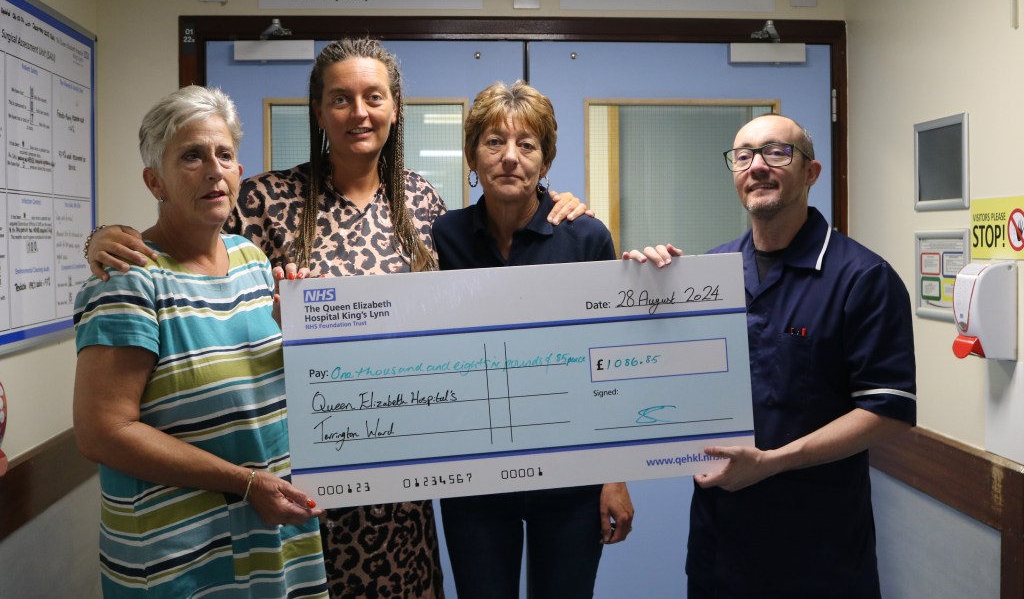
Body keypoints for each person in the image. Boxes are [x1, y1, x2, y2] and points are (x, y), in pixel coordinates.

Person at [84, 38, 587, 598]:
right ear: (319, 111)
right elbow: (188, 248)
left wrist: (557, 205)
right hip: (298, 487)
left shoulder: (423, 203)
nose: (359, 113)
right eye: (340, 99)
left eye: (374, 97)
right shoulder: (265, 200)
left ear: (395, 107)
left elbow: (486, 288)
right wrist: (102, 237)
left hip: (402, 488)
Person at [626, 113, 916, 598]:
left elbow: (889, 411)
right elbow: (660, 376)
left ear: (811, 172)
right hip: (720, 549)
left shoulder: (861, 278)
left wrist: (774, 461)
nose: (757, 166)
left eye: (776, 152)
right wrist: (640, 290)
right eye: (744, 156)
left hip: (818, 555)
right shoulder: (706, 278)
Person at [73, 86, 328, 598]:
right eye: (192, 155)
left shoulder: (253, 261)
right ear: (155, 181)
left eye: (225, 155)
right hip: (181, 558)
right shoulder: (129, 280)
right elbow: (102, 433)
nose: (214, 169)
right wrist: (245, 482)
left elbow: (258, 394)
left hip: (272, 535)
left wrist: (298, 332)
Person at [433, 81, 635, 599]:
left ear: (546, 163)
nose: (509, 158)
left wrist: (613, 475)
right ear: (472, 157)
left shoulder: (585, 237)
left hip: (570, 480)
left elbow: (606, 362)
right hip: (473, 478)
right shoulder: (442, 237)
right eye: (494, 142)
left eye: (527, 145)